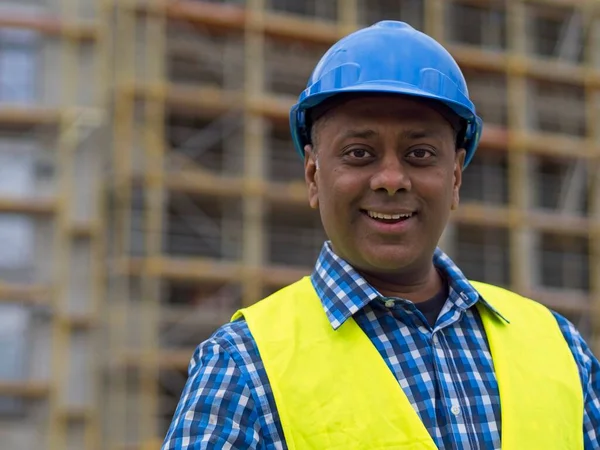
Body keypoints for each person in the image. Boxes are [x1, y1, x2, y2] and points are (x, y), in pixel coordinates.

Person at [162, 21, 600, 449]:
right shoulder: (242, 367)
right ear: (314, 176)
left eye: (419, 153)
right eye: (359, 153)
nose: (391, 179)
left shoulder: (558, 346)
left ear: (455, 176)